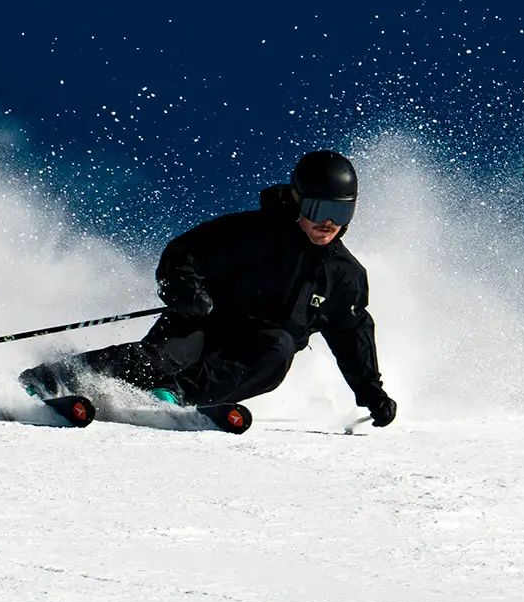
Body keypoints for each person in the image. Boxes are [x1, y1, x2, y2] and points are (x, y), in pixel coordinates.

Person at [20, 150, 397, 426]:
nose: (328, 223)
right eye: (319, 210)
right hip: (204, 323)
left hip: (249, 353)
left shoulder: (344, 276)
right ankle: (49, 378)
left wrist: (371, 392)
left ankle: (175, 395)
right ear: (298, 201)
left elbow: (352, 333)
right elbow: (183, 253)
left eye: (342, 212)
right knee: (167, 357)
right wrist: (186, 291)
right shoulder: (253, 233)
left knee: (279, 349)